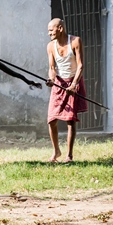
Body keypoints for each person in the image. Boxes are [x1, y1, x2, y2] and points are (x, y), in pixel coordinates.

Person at [45, 18, 88, 163]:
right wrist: (51, 80)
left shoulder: (75, 41)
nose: (49, 33)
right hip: (59, 84)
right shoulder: (50, 46)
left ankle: (69, 155)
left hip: (73, 82)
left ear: (60, 28)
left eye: (51, 30)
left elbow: (80, 66)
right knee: (51, 119)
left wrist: (74, 84)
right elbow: (52, 68)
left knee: (70, 120)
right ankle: (56, 151)